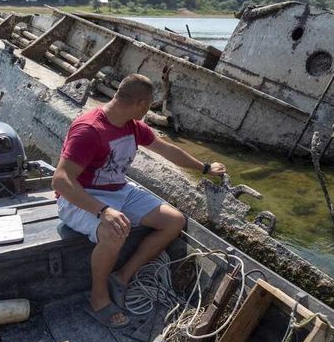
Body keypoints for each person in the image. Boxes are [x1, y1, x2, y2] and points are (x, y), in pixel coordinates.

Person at [52, 74, 226, 328]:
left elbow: (167, 150)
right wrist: (103, 211)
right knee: (115, 232)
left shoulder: (133, 125)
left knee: (174, 221)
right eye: (150, 104)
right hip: (80, 197)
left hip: (119, 190)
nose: (149, 109)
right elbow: (60, 181)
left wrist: (205, 167)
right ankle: (98, 296)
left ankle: (121, 278)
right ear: (141, 102)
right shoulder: (90, 130)